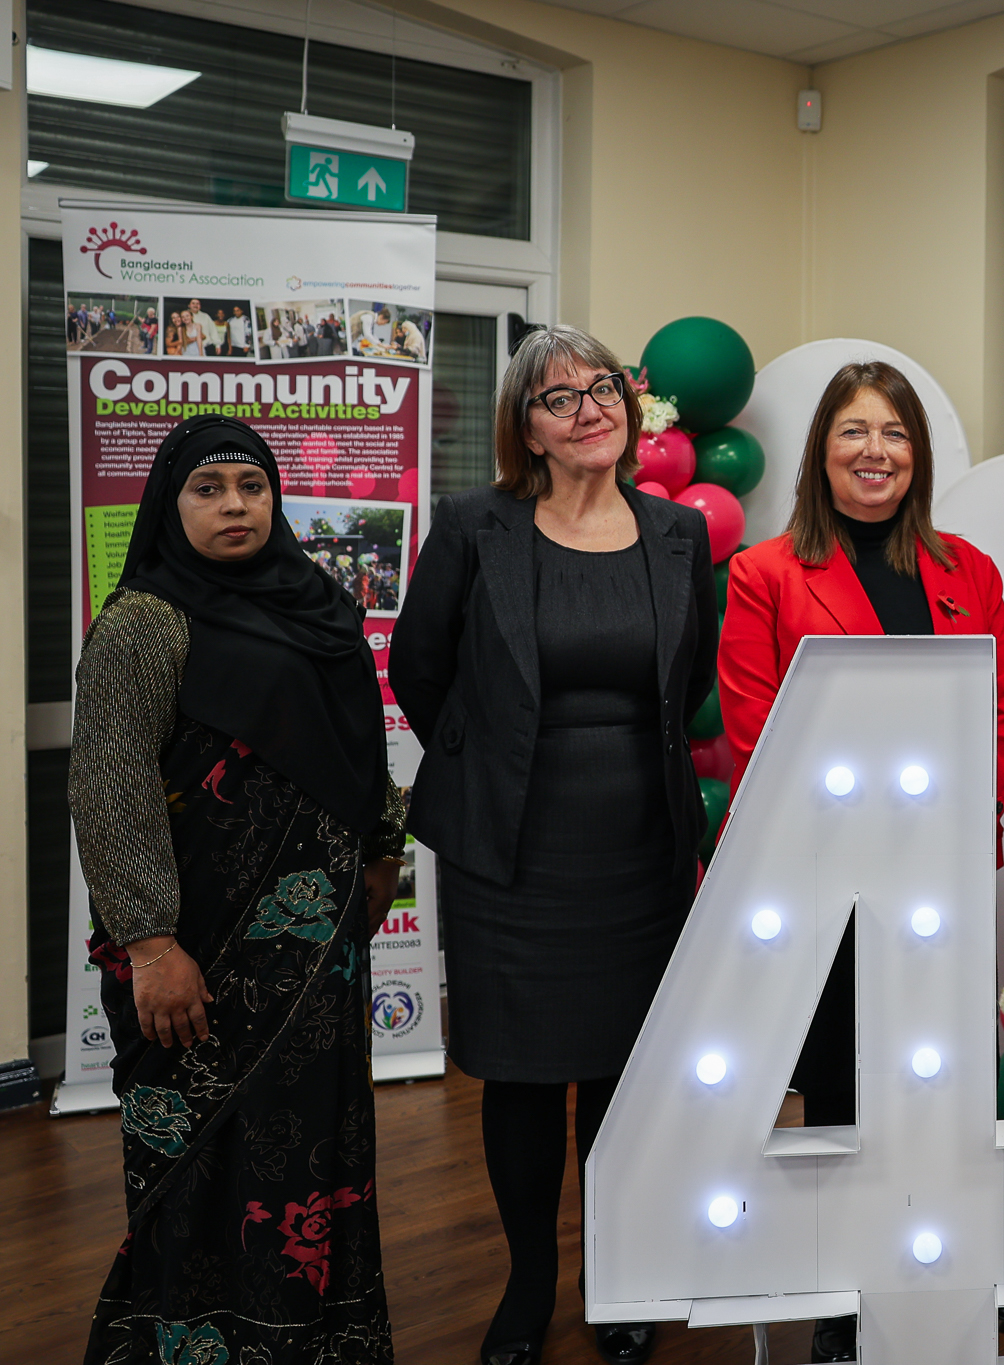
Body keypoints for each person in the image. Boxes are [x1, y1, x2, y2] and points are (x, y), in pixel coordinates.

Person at [390, 324, 716, 1365]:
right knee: (523, 1079)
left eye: (605, 390)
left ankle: (616, 1275)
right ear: (524, 429)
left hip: (639, 845)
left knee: (626, 1077)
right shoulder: (473, 525)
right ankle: (529, 1284)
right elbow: (417, 669)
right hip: (511, 850)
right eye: (560, 397)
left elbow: (690, 684)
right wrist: (492, 758)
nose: (591, 410)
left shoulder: (677, 535)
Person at [69, 414, 405, 1364]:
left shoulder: (321, 605)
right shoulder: (143, 621)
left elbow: (360, 745)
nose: (234, 506)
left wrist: (384, 850)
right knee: (201, 1152)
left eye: (251, 487)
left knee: (314, 1145)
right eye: (208, 488)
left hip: (316, 952)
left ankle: (317, 1336)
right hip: (194, 952)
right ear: (170, 505)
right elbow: (110, 780)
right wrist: (149, 943)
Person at [718, 360, 1004, 1362]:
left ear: (916, 454)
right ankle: (840, 1307)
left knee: (931, 1086)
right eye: (853, 431)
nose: (874, 452)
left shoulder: (965, 570)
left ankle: (925, 1272)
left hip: (934, 877)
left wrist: (966, 807)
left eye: (892, 434)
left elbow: (1002, 704)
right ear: (821, 451)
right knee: (843, 1094)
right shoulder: (764, 573)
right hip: (824, 880)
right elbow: (755, 728)